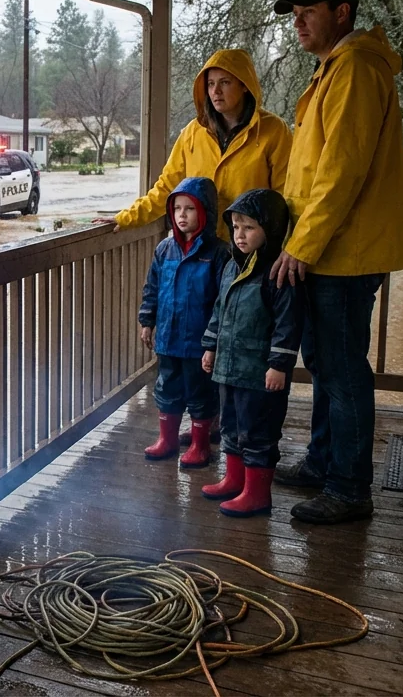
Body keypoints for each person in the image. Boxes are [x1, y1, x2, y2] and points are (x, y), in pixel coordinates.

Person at [268, 0, 403, 524]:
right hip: (329, 250)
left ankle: (350, 488)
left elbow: (340, 173)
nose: (298, 20)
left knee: (344, 370)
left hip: (342, 253)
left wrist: (301, 247)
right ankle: (324, 463)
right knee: (327, 364)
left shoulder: (354, 69)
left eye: (309, 10)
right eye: (294, 12)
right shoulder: (335, 69)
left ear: (343, 12)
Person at [100, 50, 290, 239]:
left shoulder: (274, 131)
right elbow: (168, 187)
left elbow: (286, 196)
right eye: (210, 84)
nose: (216, 91)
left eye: (225, 82)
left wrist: (284, 249)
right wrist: (127, 218)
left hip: (251, 254)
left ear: (245, 85)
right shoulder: (193, 132)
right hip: (201, 252)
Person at [200, 189, 303, 518]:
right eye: (235, 227)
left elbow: (287, 324)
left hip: (259, 374)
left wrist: (278, 365)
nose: (239, 235)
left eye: (249, 228)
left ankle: (257, 494)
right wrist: (211, 346)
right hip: (229, 368)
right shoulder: (232, 265)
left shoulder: (277, 272)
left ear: (270, 230)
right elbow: (220, 309)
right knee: (230, 425)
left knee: (258, 431)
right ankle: (234, 479)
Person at [138, 176, 227, 468]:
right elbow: (152, 288)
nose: (182, 215)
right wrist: (147, 320)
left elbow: (222, 301)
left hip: (199, 342)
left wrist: (213, 341)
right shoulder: (165, 249)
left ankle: (201, 445)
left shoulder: (218, 254)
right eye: (177, 209)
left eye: (190, 209)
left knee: (200, 392)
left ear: (205, 213)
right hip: (168, 337)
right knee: (167, 388)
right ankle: (169, 439)